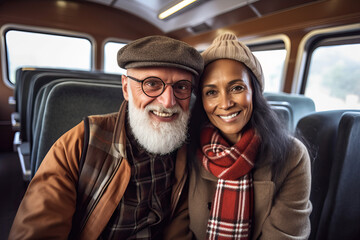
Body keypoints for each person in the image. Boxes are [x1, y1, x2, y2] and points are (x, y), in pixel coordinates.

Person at [9, 35, 204, 239]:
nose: (168, 102)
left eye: (181, 87)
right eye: (152, 84)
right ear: (126, 88)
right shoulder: (80, 143)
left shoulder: (184, 145)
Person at [186, 32, 312, 239]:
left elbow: (285, 235)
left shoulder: (292, 156)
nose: (225, 104)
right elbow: (178, 227)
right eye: (211, 92)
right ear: (201, 100)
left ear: (255, 92)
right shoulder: (186, 147)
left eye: (237, 88)